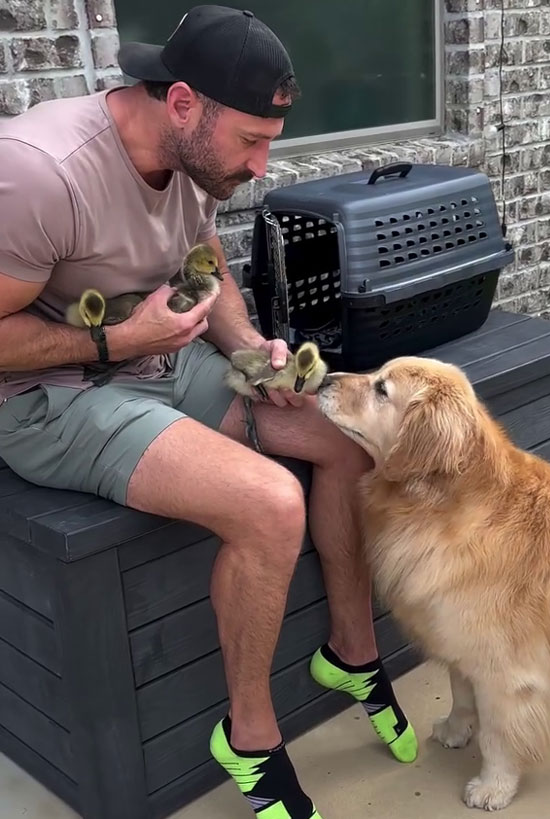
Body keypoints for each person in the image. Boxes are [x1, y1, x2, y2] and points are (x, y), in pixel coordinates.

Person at [0, 6, 417, 818]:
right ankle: (250, 736)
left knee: (351, 435)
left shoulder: (192, 160)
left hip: (158, 360)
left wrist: (251, 351)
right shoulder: (39, 172)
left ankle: (351, 651)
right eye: (250, 142)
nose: (262, 165)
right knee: (268, 502)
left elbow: (203, 264)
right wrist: (118, 336)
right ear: (183, 103)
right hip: (49, 401)